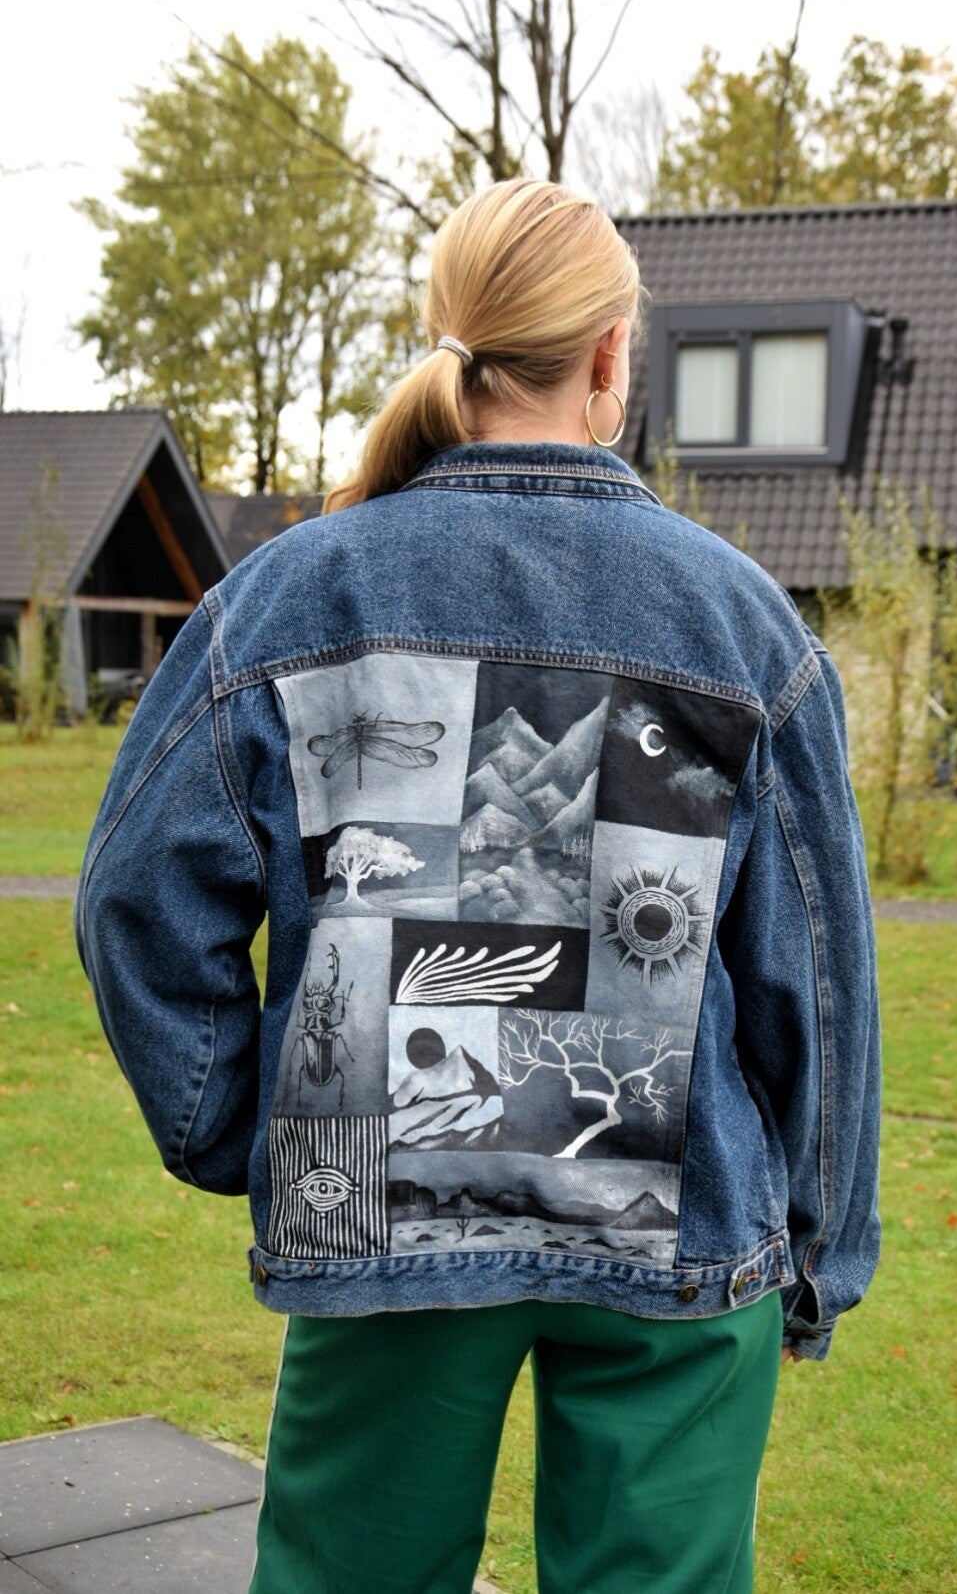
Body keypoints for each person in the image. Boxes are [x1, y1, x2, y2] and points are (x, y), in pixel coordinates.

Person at [76, 177, 881, 1593]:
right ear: (612, 353)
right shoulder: (742, 623)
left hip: (376, 1195)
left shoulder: (285, 598)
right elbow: (814, 975)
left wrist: (245, 1129)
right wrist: (823, 1247)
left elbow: (133, 903)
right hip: (681, 1227)